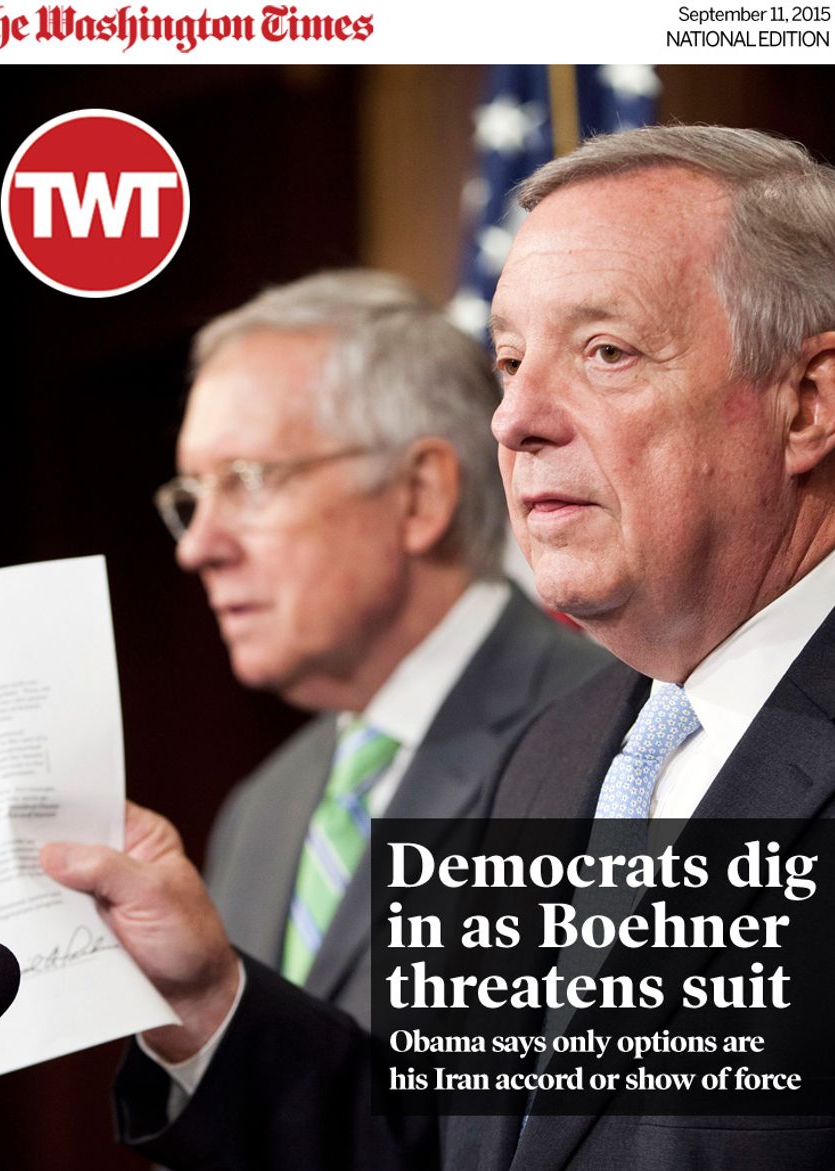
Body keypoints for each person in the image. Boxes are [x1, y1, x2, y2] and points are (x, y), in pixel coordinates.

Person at [41, 126, 835, 1169]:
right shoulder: (555, 758)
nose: (513, 419)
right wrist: (205, 1000)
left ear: (805, 403)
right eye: (509, 362)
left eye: (604, 351)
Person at [154, 270, 610, 1030]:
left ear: (419, 494)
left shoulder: (605, 739)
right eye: (194, 498)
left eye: (248, 480)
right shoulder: (260, 809)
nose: (199, 547)